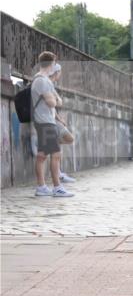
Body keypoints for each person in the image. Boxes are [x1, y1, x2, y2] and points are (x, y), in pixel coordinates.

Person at [30, 52, 73, 197]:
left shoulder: (38, 79)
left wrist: (53, 98)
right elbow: (52, 102)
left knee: (42, 155)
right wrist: (54, 98)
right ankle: (57, 187)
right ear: (52, 63)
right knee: (56, 154)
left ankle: (41, 187)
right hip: (46, 122)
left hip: (42, 121)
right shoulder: (43, 80)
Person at [49, 63, 77, 184]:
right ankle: (58, 177)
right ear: (57, 72)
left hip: (52, 119)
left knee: (57, 147)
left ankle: (59, 173)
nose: (60, 74)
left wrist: (59, 118)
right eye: (59, 72)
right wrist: (58, 99)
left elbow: (51, 106)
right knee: (70, 139)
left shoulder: (50, 84)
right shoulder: (48, 84)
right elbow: (56, 103)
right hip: (48, 121)